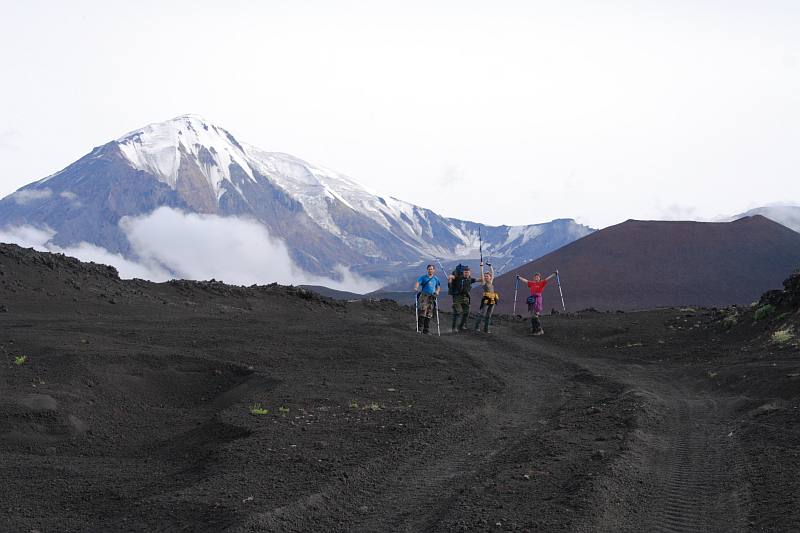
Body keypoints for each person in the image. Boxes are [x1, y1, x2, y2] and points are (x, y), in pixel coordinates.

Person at [448, 264, 478, 333]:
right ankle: (454, 328)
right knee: (458, 312)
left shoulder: (470, 279)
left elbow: (479, 279)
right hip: (457, 297)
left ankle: (461, 326)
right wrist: (450, 277)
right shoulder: (458, 277)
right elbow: (453, 277)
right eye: (465, 272)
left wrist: (487, 276)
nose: (466, 273)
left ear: (469, 273)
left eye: (467, 272)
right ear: (463, 272)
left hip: (466, 297)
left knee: (466, 312)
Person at [413, 264, 441, 334]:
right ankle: (419, 328)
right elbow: (417, 283)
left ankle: (426, 330)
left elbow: (438, 287)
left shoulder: (436, 278)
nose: (430, 270)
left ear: (434, 270)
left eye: (431, 269)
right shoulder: (423, 277)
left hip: (432, 297)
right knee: (423, 310)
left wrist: (437, 292)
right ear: (427, 270)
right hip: (424, 296)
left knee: (429, 312)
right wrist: (416, 288)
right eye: (429, 269)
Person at [473, 263, 499, 333]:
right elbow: (481, 274)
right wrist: (481, 266)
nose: (486, 277)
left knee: (489, 315)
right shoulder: (484, 283)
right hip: (486, 300)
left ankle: (486, 329)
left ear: (490, 277)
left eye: (487, 276)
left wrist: (490, 266)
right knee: (482, 313)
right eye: (485, 276)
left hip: (493, 300)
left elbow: (492, 273)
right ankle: (477, 327)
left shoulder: (491, 282)